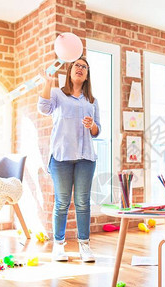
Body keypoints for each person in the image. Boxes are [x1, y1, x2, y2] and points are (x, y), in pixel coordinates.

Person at [38, 57, 101, 262]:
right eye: (77, 65)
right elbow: (44, 108)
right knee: (62, 202)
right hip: (62, 156)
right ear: (70, 70)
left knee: (83, 203)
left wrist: (91, 124)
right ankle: (58, 246)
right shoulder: (57, 94)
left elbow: (96, 131)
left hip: (86, 158)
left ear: (87, 73)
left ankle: (85, 246)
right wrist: (47, 84)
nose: (80, 68)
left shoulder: (92, 101)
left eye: (85, 66)